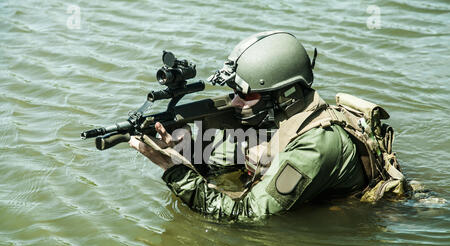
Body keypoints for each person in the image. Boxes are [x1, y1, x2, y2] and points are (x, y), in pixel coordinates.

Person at [129, 31, 406, 221]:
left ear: (283, 94)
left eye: (246, 95)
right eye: (234, 92)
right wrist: (186, 151)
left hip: (368, 218)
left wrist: (173, 170)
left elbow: (246, 215)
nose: (235, 102)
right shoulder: (280, 117)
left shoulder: (314, 149)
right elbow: (218, 167)